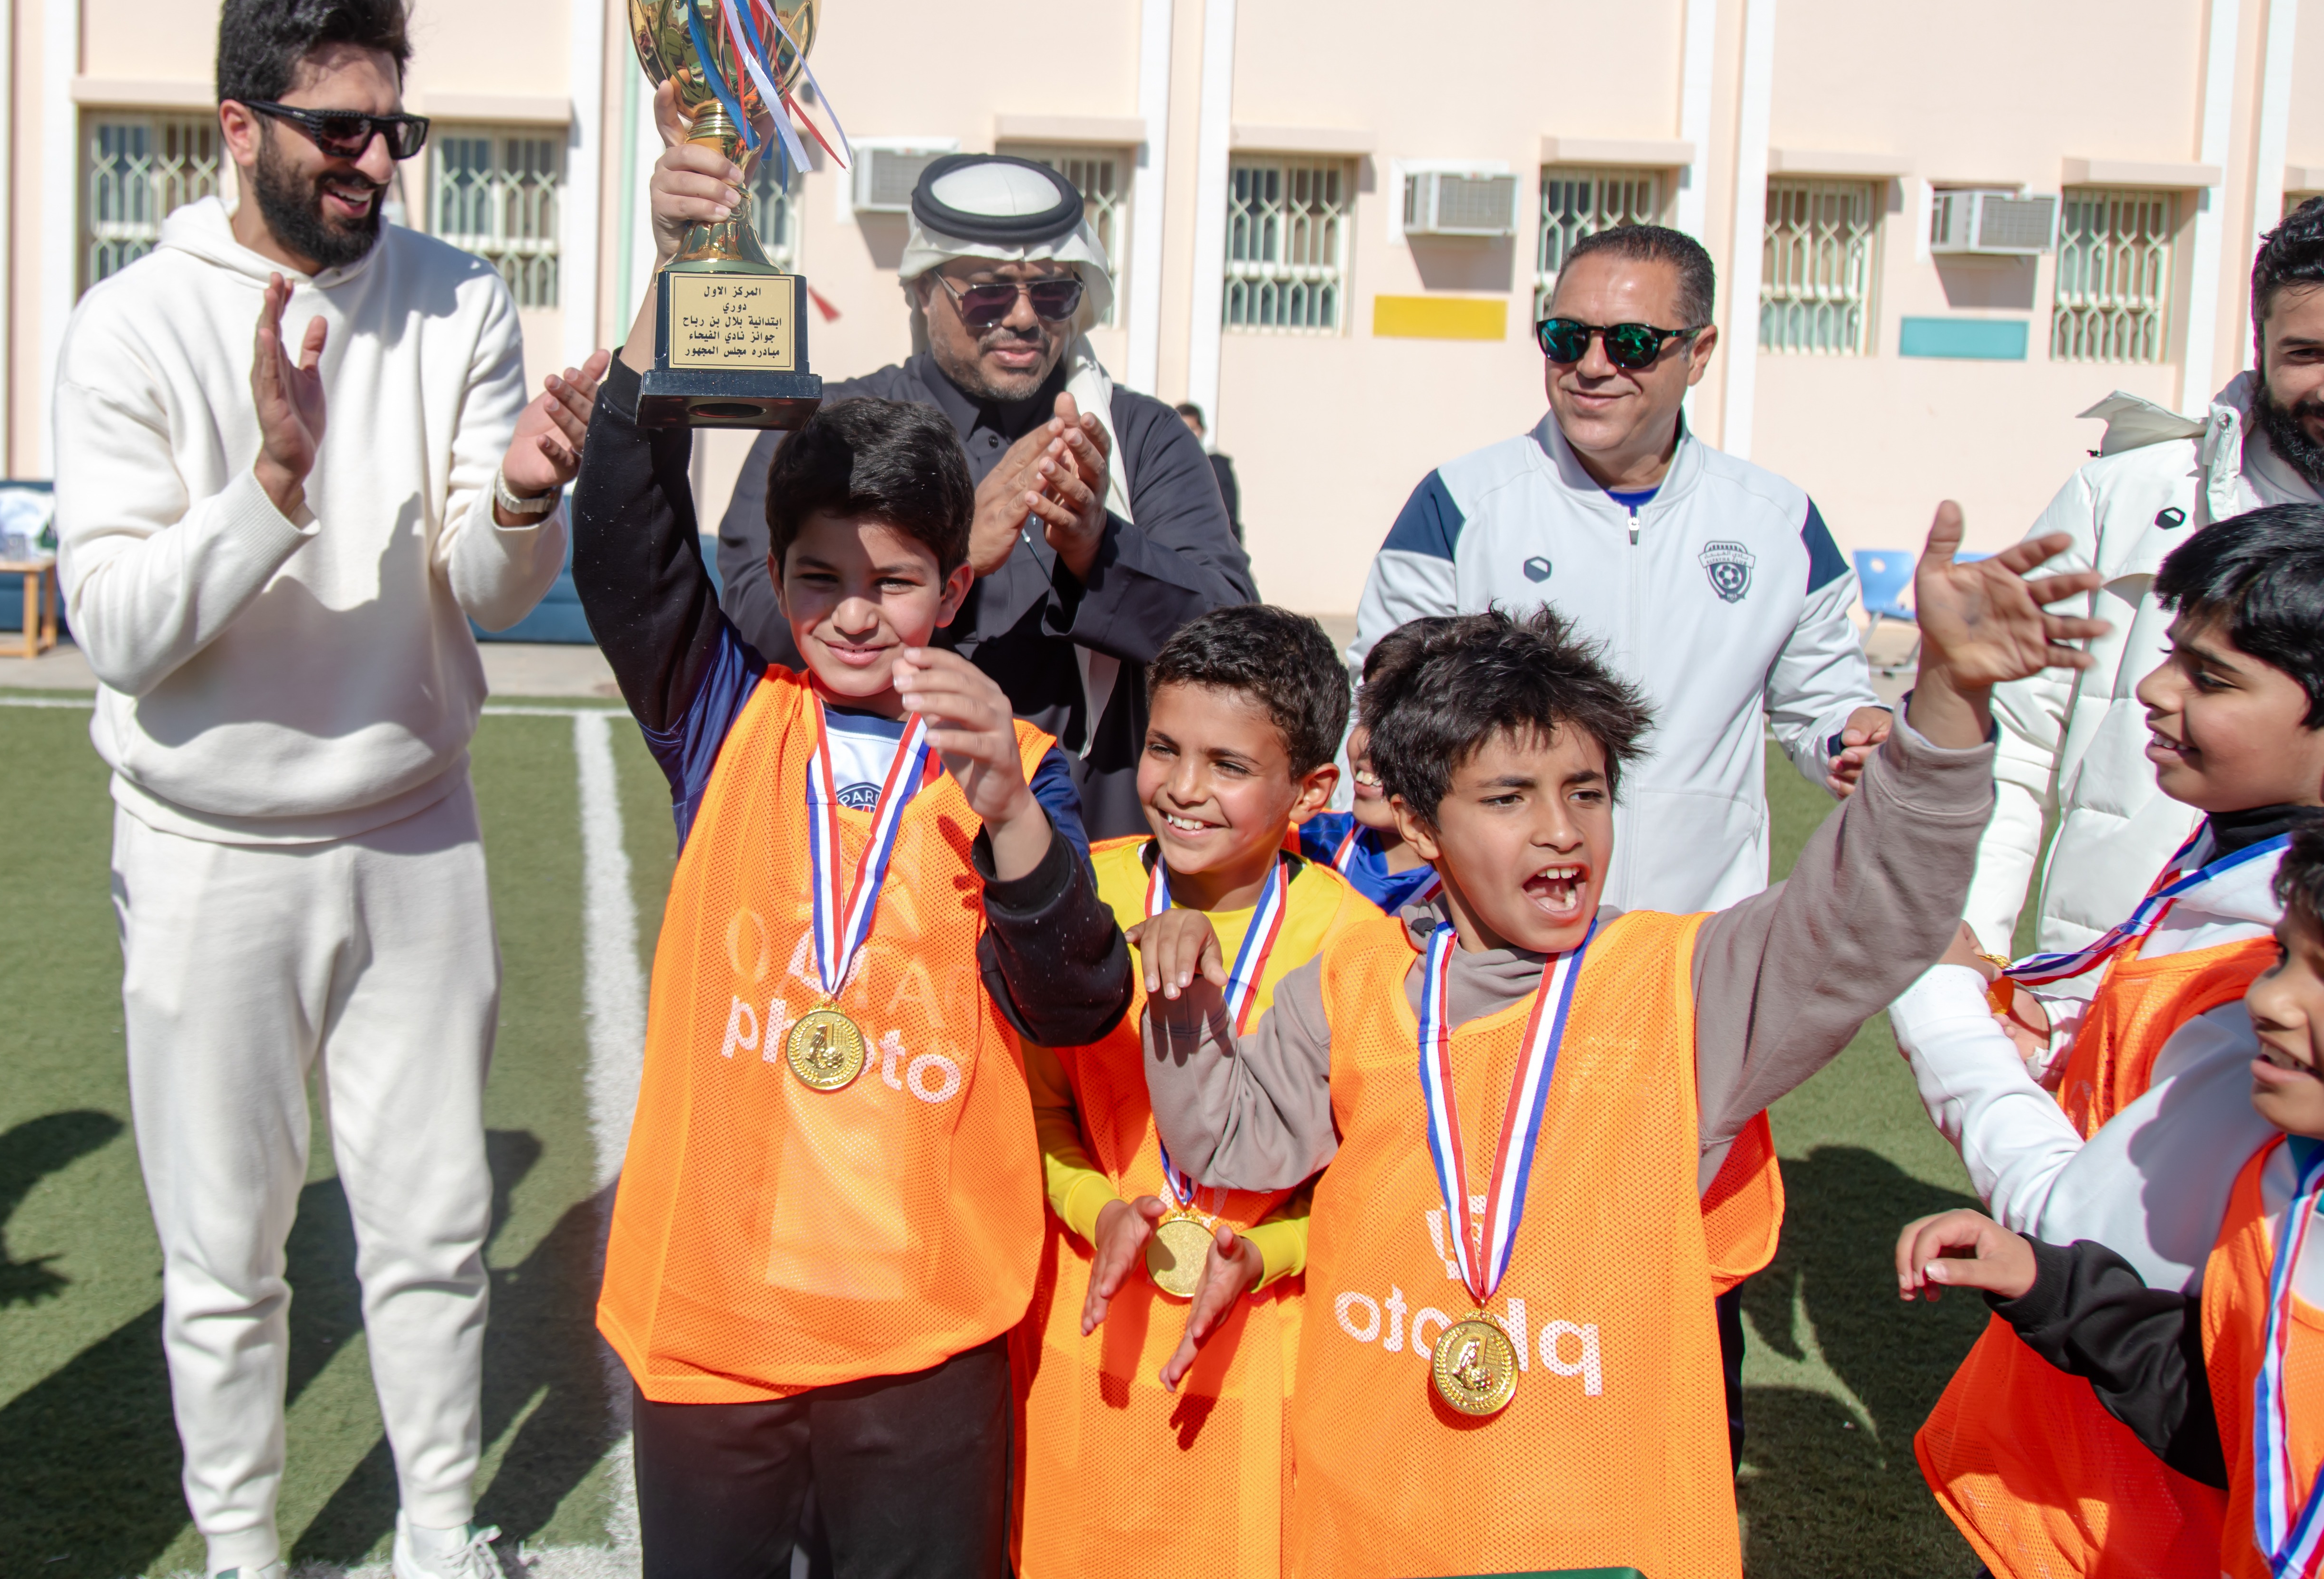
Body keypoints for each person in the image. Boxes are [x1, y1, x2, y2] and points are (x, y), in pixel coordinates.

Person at [1141, 506, 2099, 1579]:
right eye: (1510, 797)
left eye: (1587, 792)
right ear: (1415, 820)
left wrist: (1949, 702)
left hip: (1597, 1542)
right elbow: (1234, 1144)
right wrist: (1183, 1007)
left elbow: (1869, 907)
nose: (1562, 829)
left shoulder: (1679, 985)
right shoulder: (1358, 979)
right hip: (1369, 1527)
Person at [51, 0, 598, 1579]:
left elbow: (487, 587)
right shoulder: (132, 322)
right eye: (339, 129)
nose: (373, 160)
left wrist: (521, 498)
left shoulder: (458, 299)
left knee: (435, 1229)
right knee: (225, 1255)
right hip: (205, 845)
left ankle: (436, 1533)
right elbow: (118, 628)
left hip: (414, 827)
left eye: (393, 130)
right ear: (240, 127)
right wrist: (270, 489)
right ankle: (242, 1552)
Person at [579, 119, 1131, 1579]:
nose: (855, 613)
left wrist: (1013, 819)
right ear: (774, 573)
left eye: (894, 580)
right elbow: (626, 543)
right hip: (716, 1325)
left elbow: (1079, 1003)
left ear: (955, 583)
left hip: (919, 1334)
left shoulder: (1010, 761)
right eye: (818, 576)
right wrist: (669, 289)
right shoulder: (724, 714)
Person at [1893, 502, 2324, 1578]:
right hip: (2101, 1465)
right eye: (2172, 653)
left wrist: (1941, 1009)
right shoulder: (2241, 854)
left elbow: (2090, 1230)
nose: (2154, 689)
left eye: (2212, 677)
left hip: (2142, 1514)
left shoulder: (2274, 964)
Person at [1352, 221, 1893, 916]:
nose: (1592, 365)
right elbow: (1380, 709)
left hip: (1697, 935)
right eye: (1566, 337)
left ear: (1699, 353)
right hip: (1497, 943)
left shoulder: (1778, 520)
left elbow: (1823, 704)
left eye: (1630, 342)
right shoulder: (1460, 502)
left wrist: (1858, 734)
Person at [714, 149, 1255, 838]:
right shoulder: (831, 429)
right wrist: (953, 555)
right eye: (989, 294)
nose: (1025, 318)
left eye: (1053, 294)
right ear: (923, 290)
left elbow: (1237, 647)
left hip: (1090, 849)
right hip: (870, 847)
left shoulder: (1137, 438)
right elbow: (750, 627)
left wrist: (1100, 550)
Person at [1010, 605, 1357, 1574]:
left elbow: (1368, 1174)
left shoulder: (1356, 946)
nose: (1185, 787)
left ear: (1312, 789)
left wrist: (1270, 1250)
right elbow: (1034, 1108)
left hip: (1268, 1358)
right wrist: (1095, 1204)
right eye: (1166, 748)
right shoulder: (1080, 899)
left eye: (1229, 764)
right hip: (1086, 1340)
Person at [1965, 197, 2324, 963]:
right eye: (2307, 354)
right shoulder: (2123, 496)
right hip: (2116, 982)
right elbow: (2011, 747)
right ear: (2261, 347)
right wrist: (1977, 958)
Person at [1294, 620, 1441, 916]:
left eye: (1400, 727)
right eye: (1366, 716)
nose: (1367, 743)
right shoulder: (1300, 840)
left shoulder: (1487, 894)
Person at [1173, 400, 1243, 542]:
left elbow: (1230, 518)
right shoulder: (1169, 465)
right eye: (1182, 429)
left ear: (1202, 430)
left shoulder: (1216, 465)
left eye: (1193, 429)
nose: (1188, 435)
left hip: (1210, 546)